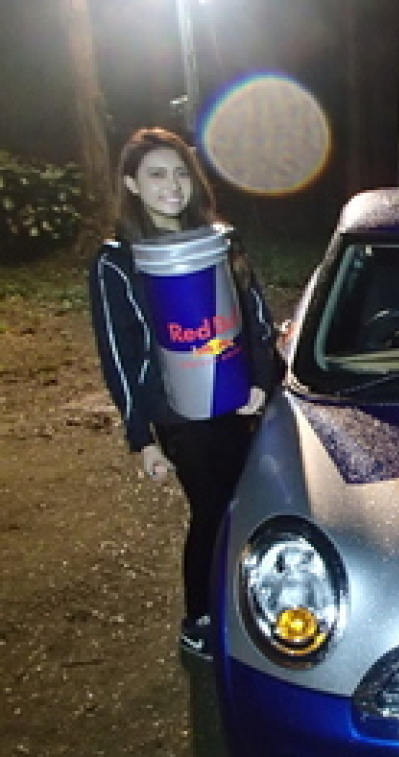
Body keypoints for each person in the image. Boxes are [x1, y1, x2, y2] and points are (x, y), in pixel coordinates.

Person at [88, 127, 277, 658]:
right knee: (213, 509)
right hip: (181, 414)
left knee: (250, 506)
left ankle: (246, 605)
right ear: (131, 184)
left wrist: (261, 382)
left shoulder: (222, 240)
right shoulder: (116, 262)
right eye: (155, 175)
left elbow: (256, 318)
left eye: (179, 173)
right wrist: (142, 438)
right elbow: (119, 355)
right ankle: (199, 619)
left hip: (241, 400)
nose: (171, 185)